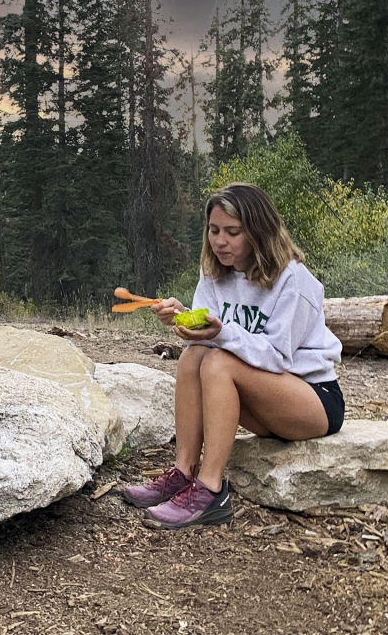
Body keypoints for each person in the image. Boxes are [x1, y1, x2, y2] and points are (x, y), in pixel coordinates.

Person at [123, 183, 344, 529]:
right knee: (194, 356)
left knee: (216, 361)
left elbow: (276, 357)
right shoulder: (215, 273)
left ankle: (211, 492)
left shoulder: (293, 280)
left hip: (311, 399)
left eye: (232, 232)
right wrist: (183, 315)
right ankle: (184, 472)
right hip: (260, 401)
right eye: (214, 230)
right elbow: (210, 334)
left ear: (258, 231)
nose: (220, 241)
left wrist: (221, 332)